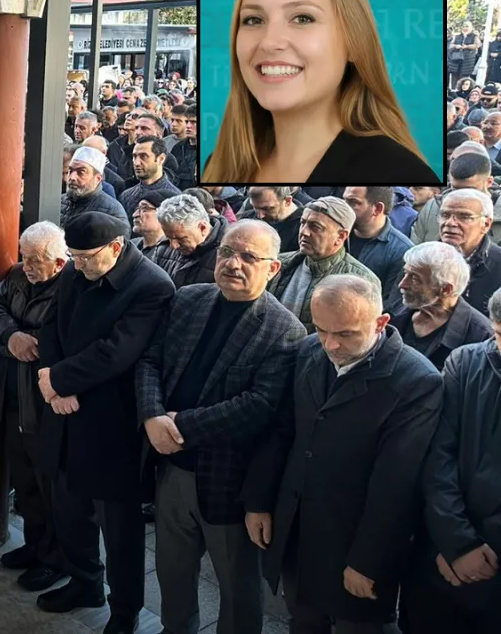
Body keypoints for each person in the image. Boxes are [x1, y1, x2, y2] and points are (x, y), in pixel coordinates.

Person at [244, 275, 443, 634]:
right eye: (321, 329)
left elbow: (396, 484)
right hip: (299, 529)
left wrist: (368, 562)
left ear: (381, 323)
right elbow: (281, 432)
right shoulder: (309, 350)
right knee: (302, 621)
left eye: (346, 334)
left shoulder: (416, 381)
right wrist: (259, 501)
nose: (330, 344)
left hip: (353, 540)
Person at [137, 219, 306, 634]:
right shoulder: (189, 298)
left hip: (228, 480)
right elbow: (150, 360)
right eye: (228, 251)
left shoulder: (285, 330)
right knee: (171, 571)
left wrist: (178, 425)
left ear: (273, 269)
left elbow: (258, 406)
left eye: (249, 257)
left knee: (236, 586)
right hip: (171, 469)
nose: (234, 263)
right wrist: (151, 414)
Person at [36, 212, 175, 633]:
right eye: (72, 257)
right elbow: (50, 326)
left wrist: (58, 379)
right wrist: (52, 381)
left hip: (112, 424)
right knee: (68, 508)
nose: (77, 266)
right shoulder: (78, 269)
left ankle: (124, 609)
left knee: (120, 528)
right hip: (65, 411)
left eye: (84, 258)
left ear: (115, 248)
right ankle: (84, 582)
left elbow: (119, 351)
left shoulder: (152, 286)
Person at [203, 0, 437, 184]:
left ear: (355, 42)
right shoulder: (219, 165)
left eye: (303, 18)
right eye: (254, 19)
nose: (269, 42)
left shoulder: (401, 173)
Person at [402, 288, 501, 633]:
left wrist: (478, 555)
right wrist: (457, 544)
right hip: (441, 552)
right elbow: (437, 456)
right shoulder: (465, 362)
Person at [0, 221, 67, 592]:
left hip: (48, 405)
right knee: (26, 480)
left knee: (52, 487)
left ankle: (56, 560)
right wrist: (9, 335)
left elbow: (61, 339)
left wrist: (24, 340)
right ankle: (34, 547)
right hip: (15, 395)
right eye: (24, 255)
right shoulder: (16, 276)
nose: (27, 264)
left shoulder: (72, 285)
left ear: (59, 262)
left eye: (36, 259)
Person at [267, 196, 381, 332]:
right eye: (302, 223)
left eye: (315, 227)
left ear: (341, 236)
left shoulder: (360, 280)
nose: (304, 232)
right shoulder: (278, 263)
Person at [390, 242, 492, 370]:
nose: (402, 284)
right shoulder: (395, 315)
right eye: (405, 273)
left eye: (415, 278)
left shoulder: (481, 337)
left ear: (446, 289)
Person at [343, 186, 413, 315]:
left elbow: (391, 305)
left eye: (353, 202)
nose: (345, 208)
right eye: (344, 200)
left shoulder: (402, 251)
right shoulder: (337, 234)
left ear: (377, 209)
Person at [438, 188, 501, 315]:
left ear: (486, 224)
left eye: (464, 217)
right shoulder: (422, 258)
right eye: (445, 215)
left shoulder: (498, 264)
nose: (450, 223)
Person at [153, 193, 226, 287]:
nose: (173, 246)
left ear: (203, 228)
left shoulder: (227, 256)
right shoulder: (163, 248)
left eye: (180, 239)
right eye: (168, 237)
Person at [450, 21, 483, 90]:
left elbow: (478, 45)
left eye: (467, 26)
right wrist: (456, 46)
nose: (465, 28)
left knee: (464, 80)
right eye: (464, 26)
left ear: (471, 28)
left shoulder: (474, 36)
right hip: (456, 61)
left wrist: (467, 46)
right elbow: (450, 45)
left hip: (467, 62)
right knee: (454, 79)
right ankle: (453, 93)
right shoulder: (457, 36)